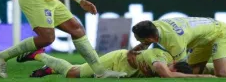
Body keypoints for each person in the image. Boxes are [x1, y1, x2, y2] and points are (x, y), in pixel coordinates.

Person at [131, 17, 226, 78]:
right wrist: (138, 49)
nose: (139, 41)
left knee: (223, 74)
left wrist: (163, 71)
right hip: (201, 39)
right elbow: (148, 39)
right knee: (196, 71)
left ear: (150, 37)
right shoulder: (154, 26)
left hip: (219, 33)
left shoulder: (173, 40)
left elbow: (184, 70)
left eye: (139, 39)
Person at [17, 48, 214, 78]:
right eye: (171, 68)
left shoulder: (168, 63)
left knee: (75, 71)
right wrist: (203, 76)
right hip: (115, 60)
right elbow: (168, 74)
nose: (167, 70)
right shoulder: (160, 57)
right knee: (72, 73)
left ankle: (50, 67)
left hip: (123, 70)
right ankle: (39, 54)